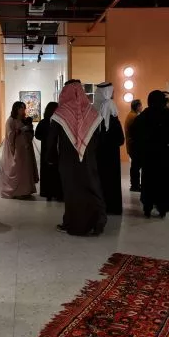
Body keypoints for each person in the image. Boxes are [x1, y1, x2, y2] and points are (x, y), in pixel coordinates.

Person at [46, 80, 107, 236]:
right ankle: (97, 223)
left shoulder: (60, 114)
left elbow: (51, 140)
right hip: (89, 160)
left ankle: (74, 224)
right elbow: (99, 140)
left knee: (72, 192)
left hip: (68, 162)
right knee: (92, 188)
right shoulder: (93, 113)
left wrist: (51, 158)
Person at [131, 90, 169, 218]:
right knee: (162, 181)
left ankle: (147, 208)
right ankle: (162, 208)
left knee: (148, 181)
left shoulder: (143, 116)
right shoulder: (167, 115)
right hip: (162, 155)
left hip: (147, 155)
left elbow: (135, 134)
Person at [94, 83, 125, 215]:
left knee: (100, 178)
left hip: (99, 151)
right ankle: (112, 207)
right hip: (111, 152)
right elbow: (119, 138)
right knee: (111, 180)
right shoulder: (110, 105)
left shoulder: (95, 107)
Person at [0, 102, 38, 199]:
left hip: (25, 149)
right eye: (22, 108)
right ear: (16, 109)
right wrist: (20, 130)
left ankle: (26, 190)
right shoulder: (10, 121)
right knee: (18, 170)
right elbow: (10, 135)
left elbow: (30, 133)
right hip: (17, 149)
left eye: (24, 108)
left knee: (25, 170)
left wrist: (29, 129)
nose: (23, 110)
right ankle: (18, 192)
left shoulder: (23, 119)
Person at [35, 102, 63, 201]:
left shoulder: (44, 122)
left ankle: (49, 193)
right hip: (52, 149)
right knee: (53, 172)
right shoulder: (53, 122)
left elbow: (37, 135)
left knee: (50, 172)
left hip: (50, 149)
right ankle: (53, 193)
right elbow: (37, 135)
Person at [125, 99, 143, 192]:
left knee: (135, 166)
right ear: (137, 107)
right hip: (134, 145)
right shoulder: (134, 117)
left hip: (131, 144)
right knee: (136, 166)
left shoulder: (131, 115)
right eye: (141, 105)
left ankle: (135, 184)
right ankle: (135, 185)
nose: (142, 107)